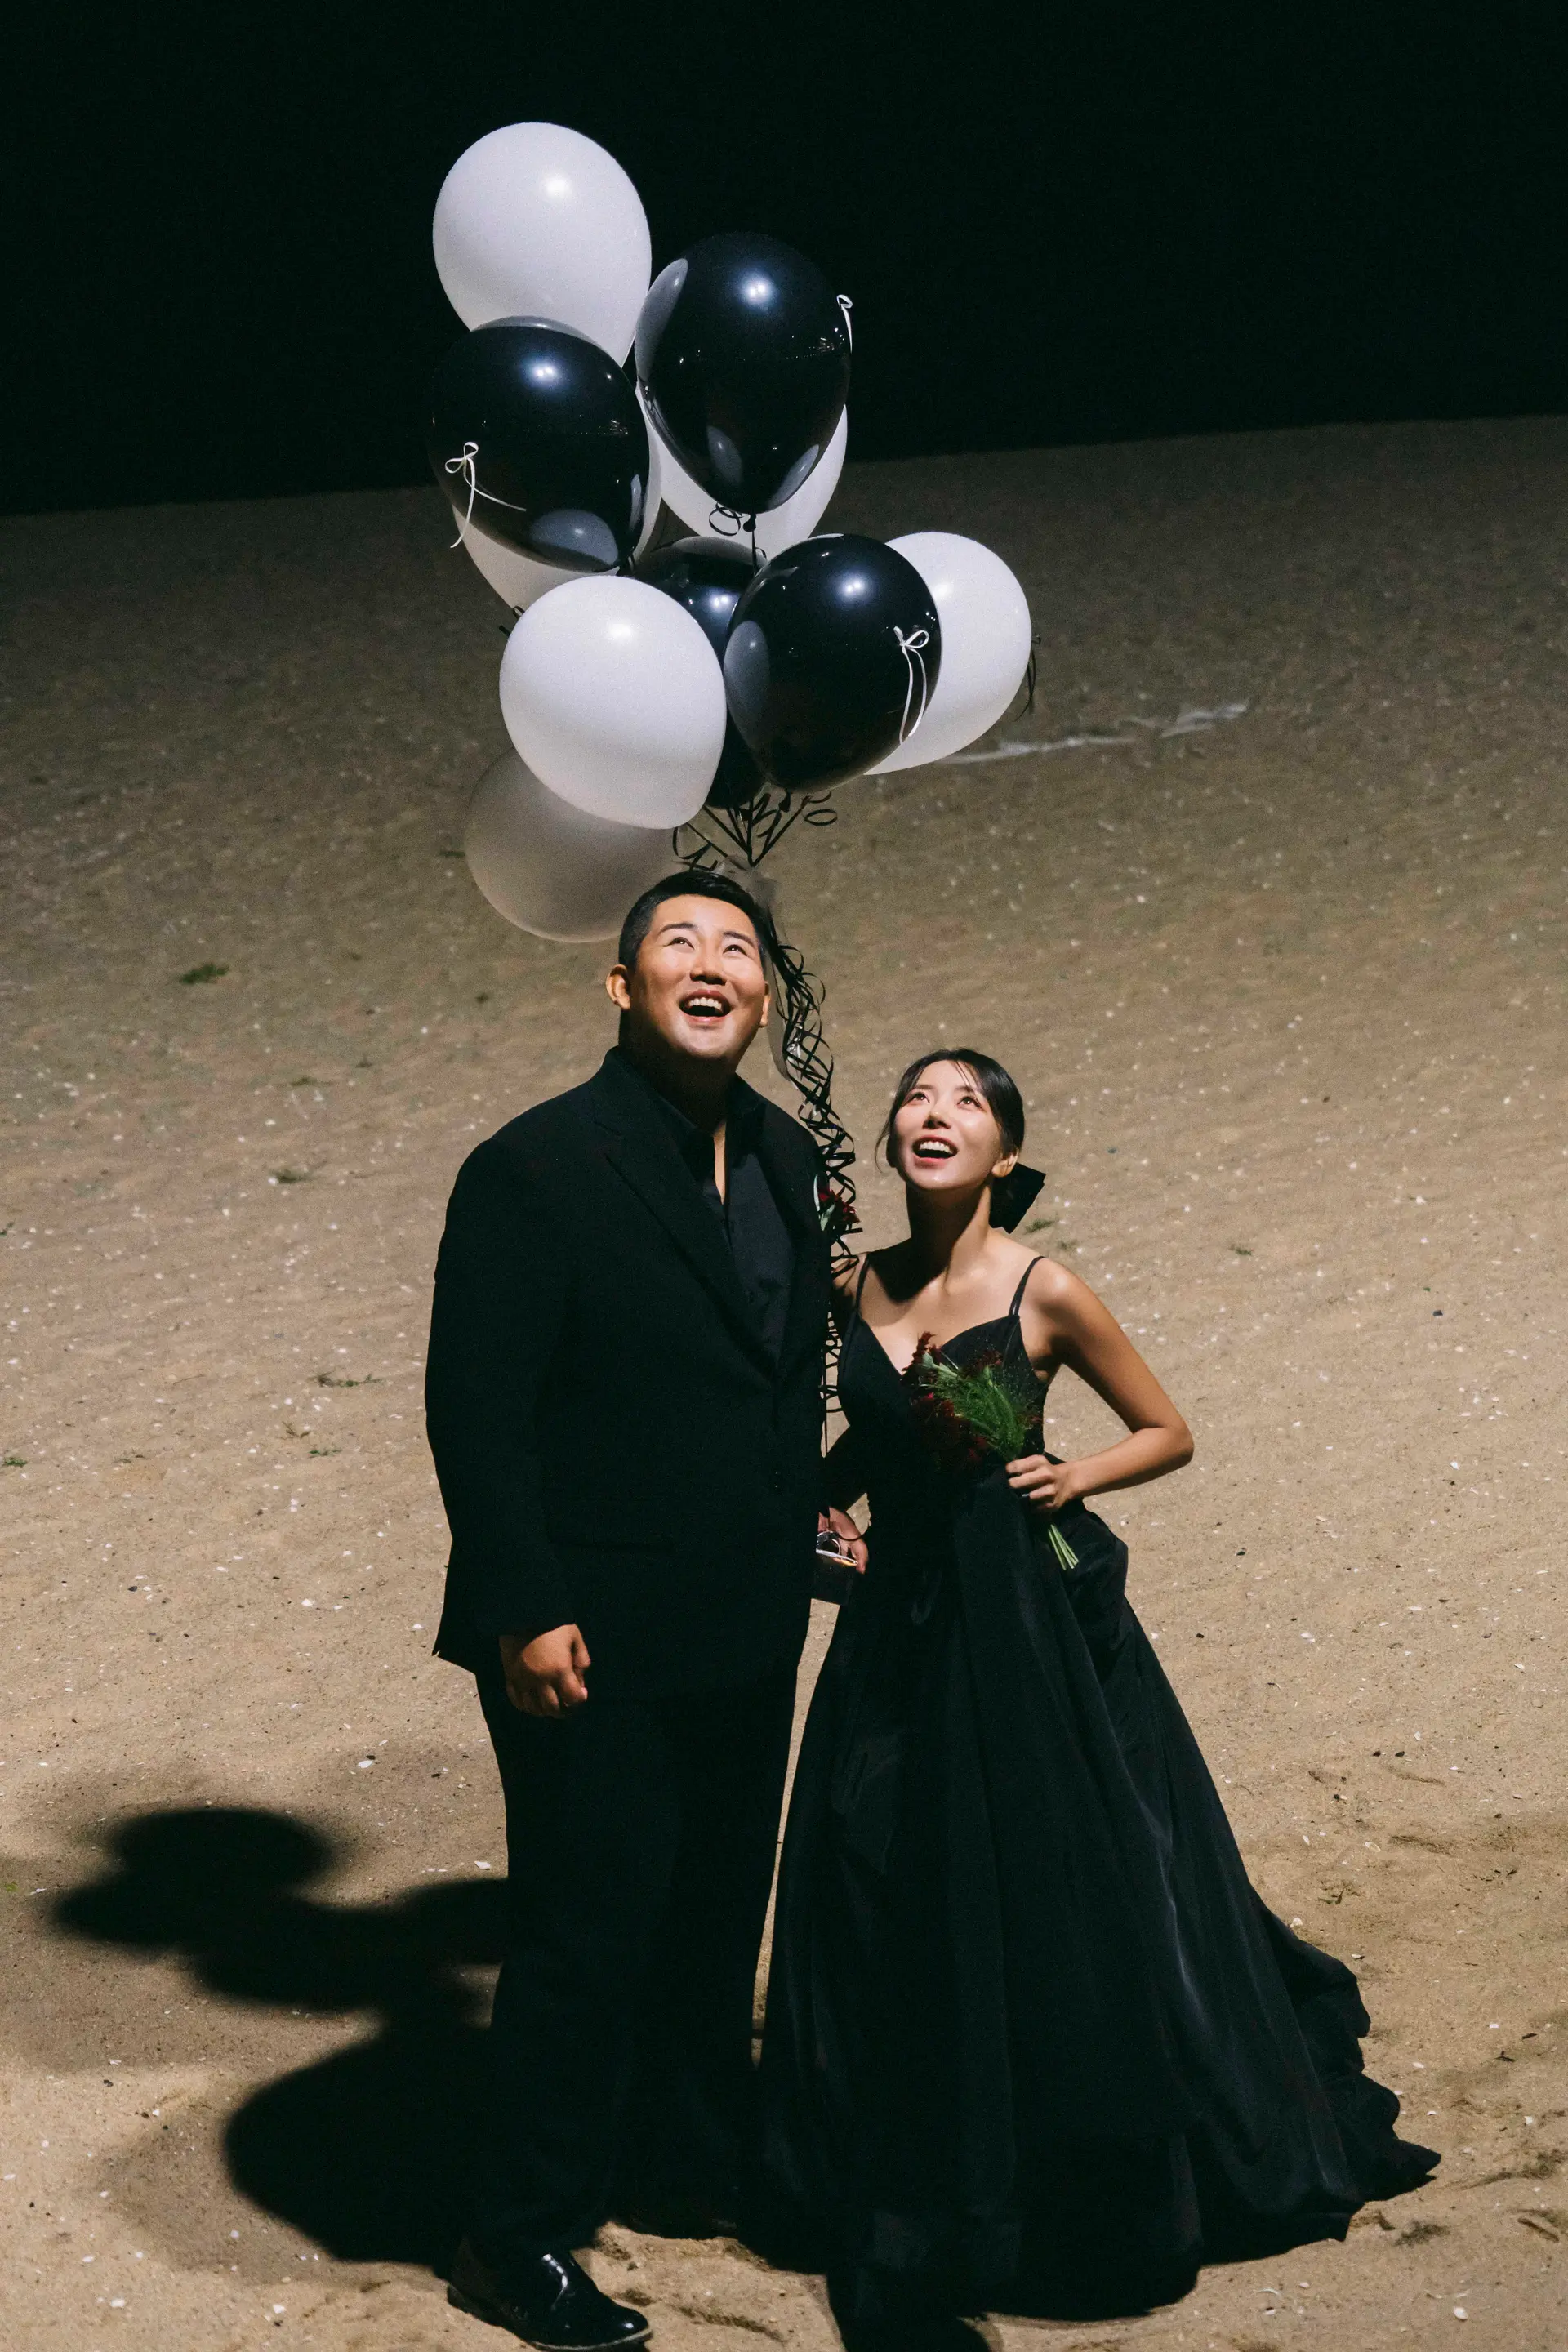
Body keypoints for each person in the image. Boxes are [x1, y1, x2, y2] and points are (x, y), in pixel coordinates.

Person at [756, 1049, 1437, 2338]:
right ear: (891, 1139)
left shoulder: (1045, 1288)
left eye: (967, 1103)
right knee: (870, 1851)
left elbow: (1169, 1430)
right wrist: (821, 1504)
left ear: (1005, 1154)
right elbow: (876, 1432)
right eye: (919, 1099)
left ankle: (1048, 2158)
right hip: (893, 1623)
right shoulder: (856, 1283)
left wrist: (1075, 1477)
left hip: (1016, 1620)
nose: (936, 1114)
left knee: (1041, 1871)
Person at [425, 871, 859, 2350]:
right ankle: (517, 2234)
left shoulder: (788, 1156)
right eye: (679, 941)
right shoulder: (536, 1166)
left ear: (765, 994)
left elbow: (778, 1373)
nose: (711, 962)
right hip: (586, 1626)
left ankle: (686, 2162)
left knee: (716, 1908)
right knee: (585, 1928)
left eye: (738, 946)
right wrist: (525, 1605)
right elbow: (476, 1411)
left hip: (745, 1611)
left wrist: (818, 1507)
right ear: (622, 986)